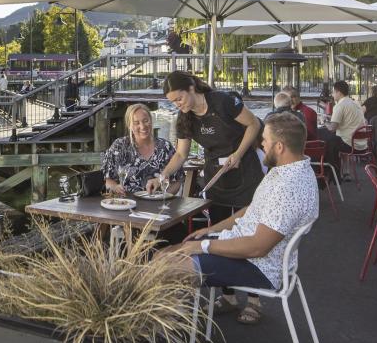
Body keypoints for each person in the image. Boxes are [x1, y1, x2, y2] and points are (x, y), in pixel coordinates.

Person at [166, 113, 319, 325]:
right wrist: (211, 230)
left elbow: (258, 248)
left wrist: (204, 245)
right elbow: (251, 209)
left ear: (280, 147)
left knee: (166, 267)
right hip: (247, 249)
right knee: (167, 253)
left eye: (265, 139)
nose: (261, 143)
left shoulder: (289, 188)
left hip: (258, 266)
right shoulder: (289, 171)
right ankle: (171, 327)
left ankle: (166, 335)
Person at [156, 71, 264, 221]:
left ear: (191, 88)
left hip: (245, 169)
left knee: (248, 225)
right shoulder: (184, 119)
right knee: (217, 229)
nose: (177, 105)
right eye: (173, 102)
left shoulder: (223, 101)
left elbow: (254, 123)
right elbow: (181, 154)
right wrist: (164, 174)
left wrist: (238, 154)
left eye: (179, 99)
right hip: (216, 178)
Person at [102, 103, 175, 196]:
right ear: (129, 126)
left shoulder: (165, 147)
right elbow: (107, 180)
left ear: (151, 121)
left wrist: (162, 197)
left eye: (146, 121)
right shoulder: (119, 146)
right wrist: (115, 187)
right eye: (136, 123)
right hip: (126, 203)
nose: (142, 126)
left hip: (157, 205)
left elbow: (177, 180)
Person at [319, 81, 364, 168]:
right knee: (334, 139)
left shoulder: (340, 106)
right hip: (362, 144)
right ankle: (344, 171)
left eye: (333, 92)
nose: (332, 95)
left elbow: (332, 128)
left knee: (325, 140)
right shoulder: (355, 103)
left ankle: (332, 171)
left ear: (338, 92)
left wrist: (323, 121)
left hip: (349, 144)